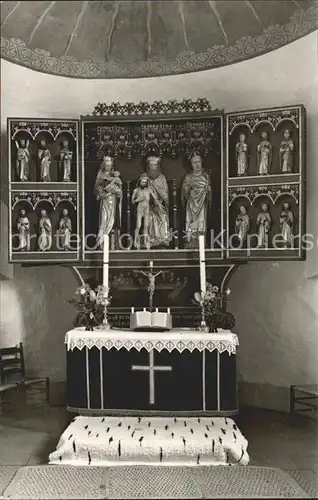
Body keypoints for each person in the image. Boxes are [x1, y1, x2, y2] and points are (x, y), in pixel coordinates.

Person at [181, 152, 211, 247]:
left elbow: (209, 192)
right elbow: (184, 192)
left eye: (199, 162)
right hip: (191, 203)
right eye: (194, 162)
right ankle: (191, 241)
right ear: (191, 164)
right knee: (191, 221)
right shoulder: (188, 177)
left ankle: (201, 242)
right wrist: (188, 189)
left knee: (202, 220)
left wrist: (208, 190)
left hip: (202, 203)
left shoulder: (206, 176)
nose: (197, 165)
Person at [94, 156, 123, 249]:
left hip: (113, 201)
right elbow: (96, 189)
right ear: (104, 165)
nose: (108, 168)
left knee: (112, 221)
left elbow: (120, 190)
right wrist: (104, 192)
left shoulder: (114, 176)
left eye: (110, 166)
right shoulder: (100, 174)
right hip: (105, 201)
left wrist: (117, 191)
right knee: (104, 219)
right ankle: (101, 242)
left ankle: (112, 244)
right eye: (107, 166)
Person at [146, 156, 170, 248]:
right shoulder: (144, 176)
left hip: (160, 205)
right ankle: (151, 239)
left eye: (155, 165)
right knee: (150, 218)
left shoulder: (161, 178)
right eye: (151, 165)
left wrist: (156, 187)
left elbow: (165, 193)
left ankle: (163, 239)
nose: (153, 167)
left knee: (163, 217)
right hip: (148, 206)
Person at [132, 173, 158, 249]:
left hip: (147, 208)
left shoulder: (149, 190)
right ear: (139, 182)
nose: (143, 183)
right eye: (142, 182)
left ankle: (146, 242)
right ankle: (136, 241)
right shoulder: (136, 190)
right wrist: (138, 199)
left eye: (145, 182)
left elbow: (155, 197)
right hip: (140, 208)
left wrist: (155, 197)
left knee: (146, 226)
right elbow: (132, 201)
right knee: (138, 225)